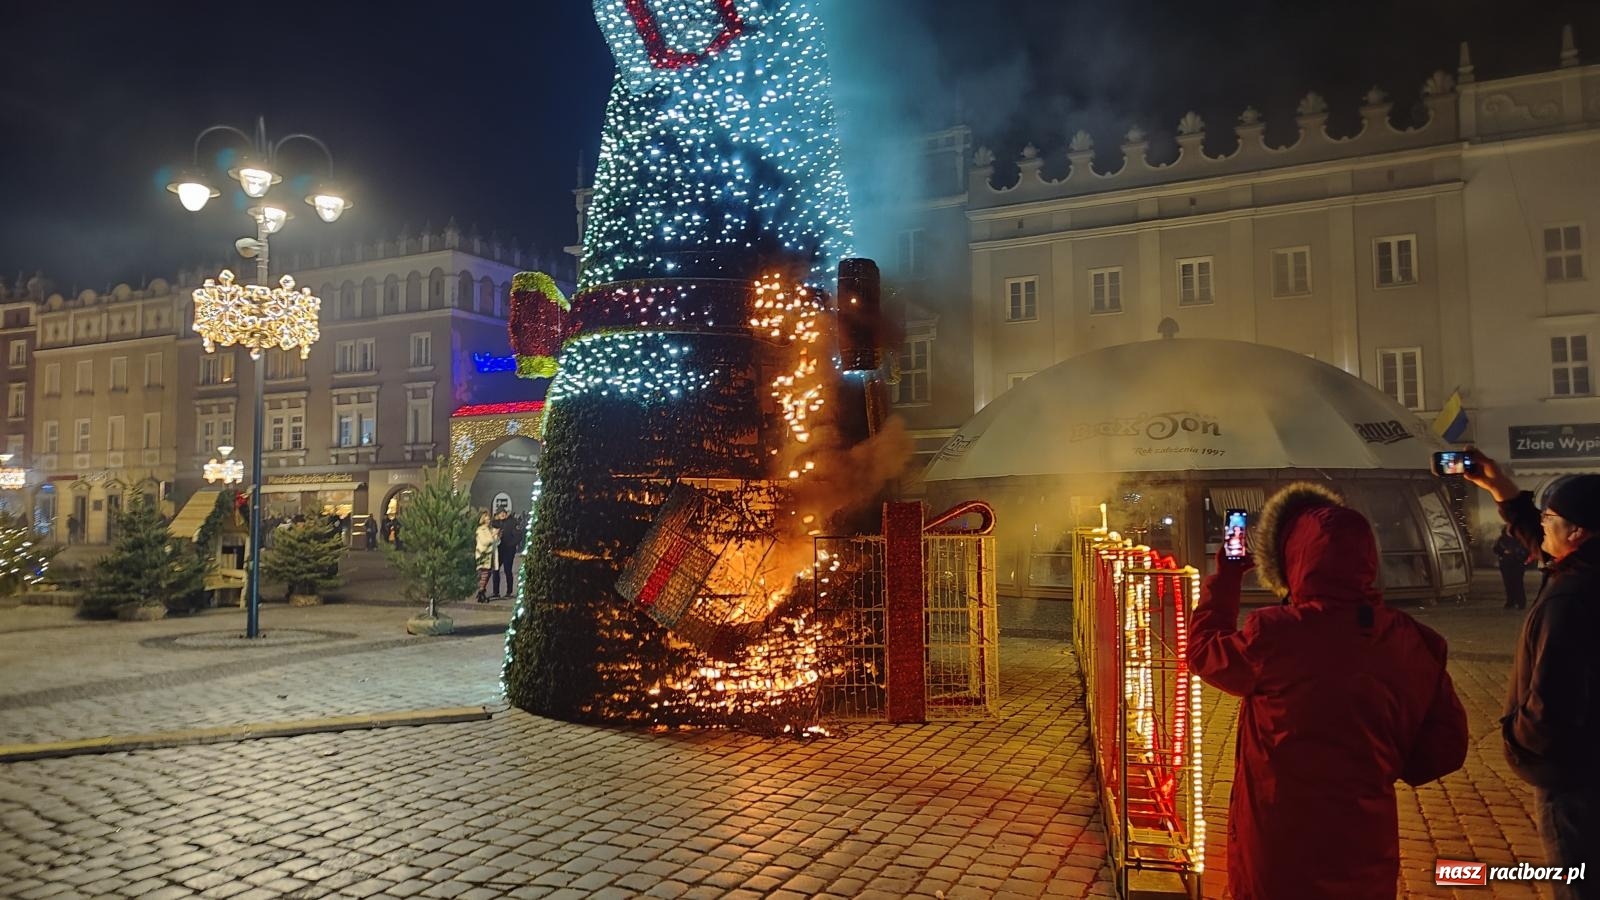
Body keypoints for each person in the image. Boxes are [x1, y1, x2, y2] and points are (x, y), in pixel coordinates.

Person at [1186, 481, 1469, 900]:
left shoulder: (1275, 634)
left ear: (1292, 560)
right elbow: (1445, 747)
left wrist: (1226, 577)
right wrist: (1378, 762)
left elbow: (1203, 651)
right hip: (1363, 844)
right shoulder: (1412, 640)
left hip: (1279, 845)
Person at [1462, 450, 1600, 899]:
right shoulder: (1584, 567)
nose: (1541, 524)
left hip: (1573, 775)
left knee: (1578, 880)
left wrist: (1518, 741)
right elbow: (1538, 537)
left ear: (1577, 532)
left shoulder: (1571, 597)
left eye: (1550, 517)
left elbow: (1553, 702)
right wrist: (1499, 487)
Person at [1494, 524, 1531, 610]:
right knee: (1508, 583)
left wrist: (1517, 554)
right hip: (1505, 564)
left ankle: (1521, 602)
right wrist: (1503, 552)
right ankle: (1510, 601)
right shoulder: (1502, 539)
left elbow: (1526, 550)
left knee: (1518, 583)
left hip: (1517, 564)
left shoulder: (1520, 539)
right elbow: (1496, 549)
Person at [491, 510, 517, 600]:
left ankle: (509, 592)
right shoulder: (495, 523)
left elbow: (518, 536)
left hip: (509, 550)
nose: (502, 514)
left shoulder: (512, 522)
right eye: (500, 513)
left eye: (503, 513)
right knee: (495, 570)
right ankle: (496, 592)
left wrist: (511, 544)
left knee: (507, 570)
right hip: (499, 550)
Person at [474, 511, 499, 603]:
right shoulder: (481, 530)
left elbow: (495, 542)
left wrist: (497, 536)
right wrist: (493, 535)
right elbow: (485, 542)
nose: (488, 521)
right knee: (484, 573)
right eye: (487, 519)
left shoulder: (490, 529)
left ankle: (482, 591)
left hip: (490, 555)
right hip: (483, 555)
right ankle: (481, 592)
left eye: (489, 519)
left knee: (488, 574)